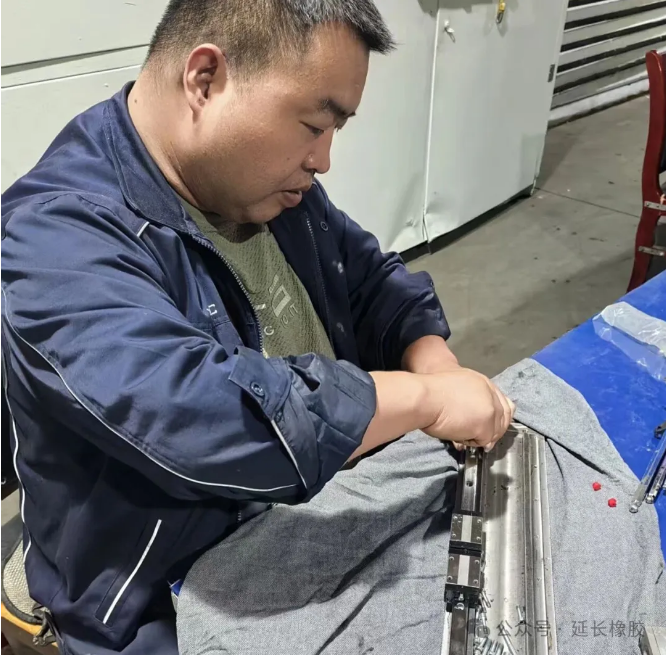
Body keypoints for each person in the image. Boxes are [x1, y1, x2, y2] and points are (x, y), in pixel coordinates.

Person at [1, 1, 515, 653]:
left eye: (335, 130)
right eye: (313, 125)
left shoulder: (258, 185)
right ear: (206, 79)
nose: (323, 159)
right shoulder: (54, 238)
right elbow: (200, 414)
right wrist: (426, 399)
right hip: (160, 599)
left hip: (309, 518)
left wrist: (432, 359)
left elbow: (367, 276)